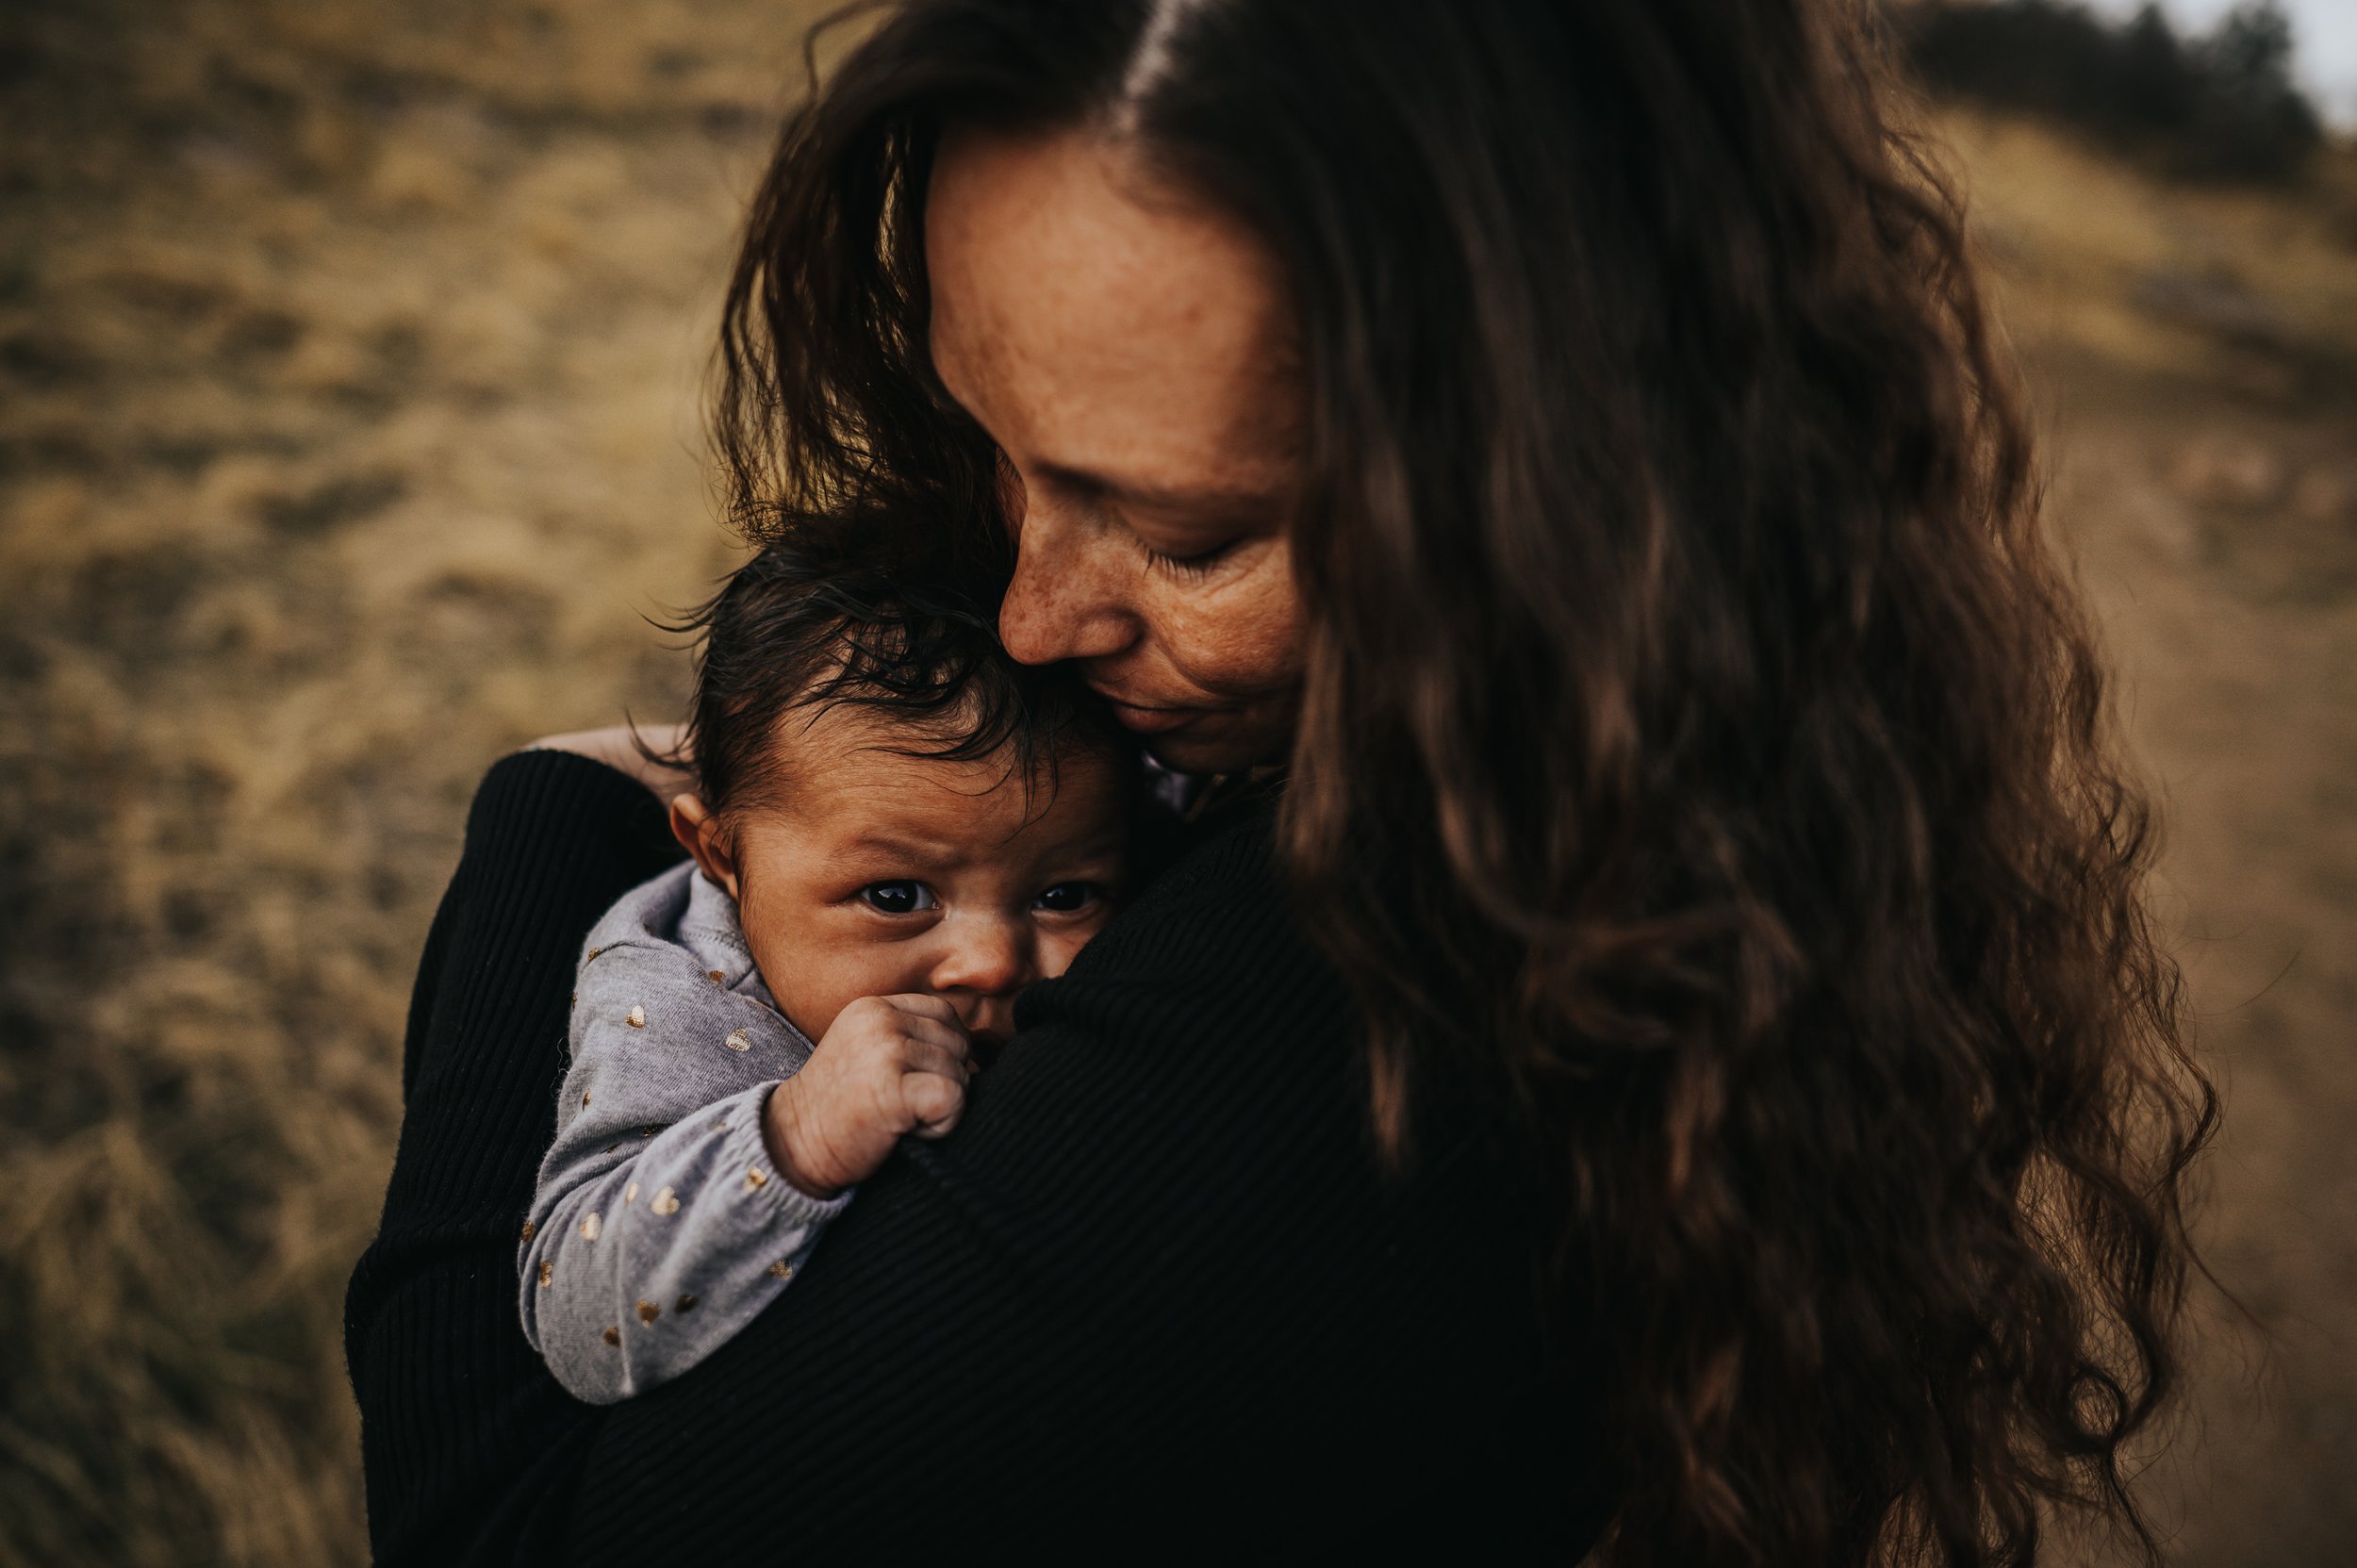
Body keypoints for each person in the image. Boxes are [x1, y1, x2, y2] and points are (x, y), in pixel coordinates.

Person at [346, 2, 2217, 1562]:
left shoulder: (1335, 1044)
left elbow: (501, 1528)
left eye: (1182, 534)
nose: (1029, 609)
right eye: (994, 450)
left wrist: (545, 822)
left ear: (1560, 502)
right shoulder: (1625, 823)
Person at [519, 532, 1133, 1404]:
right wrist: (795, 1137)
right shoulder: (670, 999)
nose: (992, 962)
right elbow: (577, 1317)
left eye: (1065, 893)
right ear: (721, 857)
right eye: (894, 895)